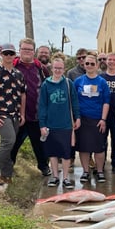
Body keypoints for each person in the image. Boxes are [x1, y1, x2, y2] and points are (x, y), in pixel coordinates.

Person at [0, 43, 26, 185]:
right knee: (8, 141)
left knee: (11, 144)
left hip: (15, 115)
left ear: (15, 55)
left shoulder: (19, 74)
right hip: (1, 114)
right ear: (1, 54)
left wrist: (22, 114)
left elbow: (23, 95)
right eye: (6, 53)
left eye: (11, 53)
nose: (8, 56)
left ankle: (6, 174)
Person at [10, 38, 51, 177]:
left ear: (34, 51)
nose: (27, 51)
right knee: (13, 142)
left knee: (39, 144)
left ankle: (43, 166)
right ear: (19, 50)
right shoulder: (12, 66)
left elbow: (48, 90)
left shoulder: (42, 69)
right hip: (16, 114)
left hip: (36, 113)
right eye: (24, 49)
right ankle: (9, 164)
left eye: (30, 49)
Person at [39, 57, 80, 189]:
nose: (57, 70)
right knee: (53, 153)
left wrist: (77, 117)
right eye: (55, 68)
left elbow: (74, 102)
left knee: (66, 153)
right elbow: (42, 106)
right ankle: (55, 176)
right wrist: (42, 124)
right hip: (51, 124)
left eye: (60, 68)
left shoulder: (68, 83)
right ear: (52, 69)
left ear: (64, 69)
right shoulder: (46, 84)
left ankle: (66, 177)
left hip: (66, 125)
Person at [74, 53, 110, 183]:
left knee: (99, 148)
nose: (89, 66)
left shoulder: (102, 82)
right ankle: (85, 171)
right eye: (87, 64)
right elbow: (74, 101)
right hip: (82, 119)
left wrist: (103, 119)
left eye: (92, 64)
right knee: (84, 148)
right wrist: (76, 118)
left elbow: (106, 102)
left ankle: (99, 171)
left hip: (97, 119)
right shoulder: (78, 81)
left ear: (96, 65)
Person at [100, 52, 115, 174]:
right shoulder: (101, 77)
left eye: (114, 60)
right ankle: (101, 163)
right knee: (102, 140)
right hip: (103, 114)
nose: (111, 62)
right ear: (106, 61)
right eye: (109, 60)